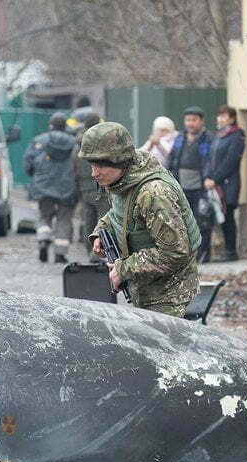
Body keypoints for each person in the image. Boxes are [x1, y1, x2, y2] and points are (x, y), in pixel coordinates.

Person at [80, 121, 200, 317]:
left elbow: (175, 252)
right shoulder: (123, 180)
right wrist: (102, 231)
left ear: (119, 160)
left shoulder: (153, 193)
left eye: (100, 164)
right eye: (91, 164)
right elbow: (121, 213)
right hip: (147, 290)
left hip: (169, 297)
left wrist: (123, 269)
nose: (94, 173)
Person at [24, 112, 77, 263]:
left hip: (44, 185)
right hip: (67, 187)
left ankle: (43, 239)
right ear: (65, 126)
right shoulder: (74, 143)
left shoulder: (39, 140)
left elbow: (28, 162)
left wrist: (35, 177)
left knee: (44, 216)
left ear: (51, 125)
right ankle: (60, 253)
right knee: (64, 219)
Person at [167, 106, 214, 263]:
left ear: (201, 121)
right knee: (183, 222)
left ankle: (204, 256)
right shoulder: (180, 138)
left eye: (194, 120)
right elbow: (171, 159)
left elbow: (211, 162)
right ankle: (187, 256)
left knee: (203, 222)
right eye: (188, 120)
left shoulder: (208, 138)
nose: (190, 123)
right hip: (181, 187)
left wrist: (208, 177)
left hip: (201, 188)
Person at [207, 105, 246, 262]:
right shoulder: (219, 136)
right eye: (219, 116)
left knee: (228, 216)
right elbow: (212, 159)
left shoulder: (237, 136)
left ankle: (231, 251)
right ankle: (225, 249)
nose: (220, 119)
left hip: (228, 184)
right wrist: (209, 177)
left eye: (224, 116)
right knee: (221, 217)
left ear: (232, 118)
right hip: (216, 184)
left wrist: (215, 179)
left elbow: (230, 161)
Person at [73, 112, 108, 259]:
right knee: (104, 220)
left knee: (88, 220)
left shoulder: (79, 143)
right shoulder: (103, 142)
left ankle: (90, 251)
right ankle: (99, 254)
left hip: (85, 187)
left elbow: (74, 166)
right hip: (102, 186)